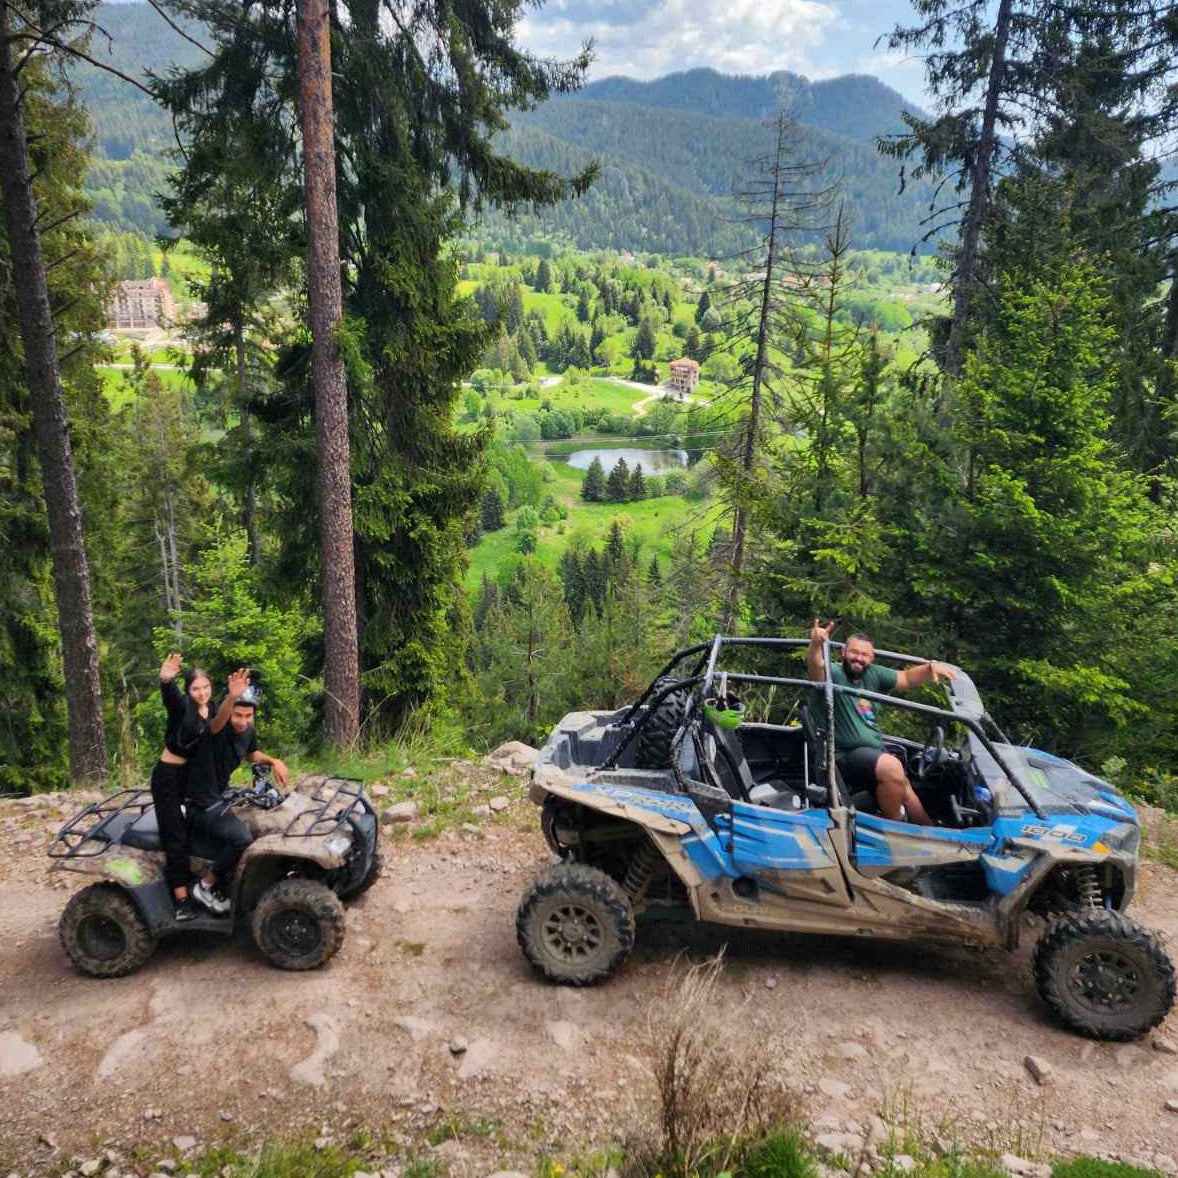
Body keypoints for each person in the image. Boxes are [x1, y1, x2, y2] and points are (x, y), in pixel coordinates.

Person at [807, 619, 958, 825]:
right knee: (892, 767)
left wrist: (930, 668)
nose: (858, 659)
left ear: (872, 658)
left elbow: (905, 678)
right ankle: (892, 828)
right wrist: (816, 644)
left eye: (864, 655)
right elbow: (816, 669)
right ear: (843, 652)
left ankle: (931, 831)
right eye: (854, 652)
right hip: (841, 754)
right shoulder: (834, 673)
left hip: (870, 752)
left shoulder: (873, 674)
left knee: (904, 786)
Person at [185, 669, 289, 915]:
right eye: (238, 715)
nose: (242, 721)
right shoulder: (217, 730)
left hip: (220, 794)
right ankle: (205, 886)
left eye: (248, 715)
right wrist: (231, 697)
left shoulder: (248, 730)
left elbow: (251, 753)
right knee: (241, 839)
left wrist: (274, 761)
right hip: (199, 802)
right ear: (230, 711)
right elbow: (216, 722)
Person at [150, 653, 215, 922]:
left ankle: (206, 883)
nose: (201, 693)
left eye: (205, 687)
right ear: (189, 690)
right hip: (168, 776)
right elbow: (170, 695)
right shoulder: (182, 707)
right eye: (195, 688)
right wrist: (166, 679)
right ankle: (181, 899)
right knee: (174, 835)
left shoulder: (213, 709)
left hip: (191, 776)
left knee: (202, 823)